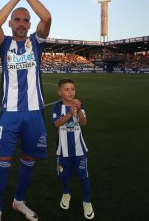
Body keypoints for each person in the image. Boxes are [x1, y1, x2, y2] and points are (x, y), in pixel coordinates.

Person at [0, 0, 52, 221]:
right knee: (3, 162)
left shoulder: (36, 43)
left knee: (28, 160)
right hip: (10, 114)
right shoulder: (4, 43)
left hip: (35, 114)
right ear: (11, 23)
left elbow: (46, 17)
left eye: (26, 20)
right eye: (17, 19)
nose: (22, 23)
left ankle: (18, 201)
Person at [51, 78, 94, 219]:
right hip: (63, 150)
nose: (70, 92)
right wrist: (69, 114)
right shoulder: (57, 107)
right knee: (64, 175)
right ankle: (66, 193)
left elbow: (83, 123)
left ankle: (87, 202)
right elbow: (57, 124)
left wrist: (79, 110)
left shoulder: (79, 105)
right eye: (67, 89)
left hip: (79, 149)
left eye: (72, 89)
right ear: (60, 92)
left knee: (83, 176)